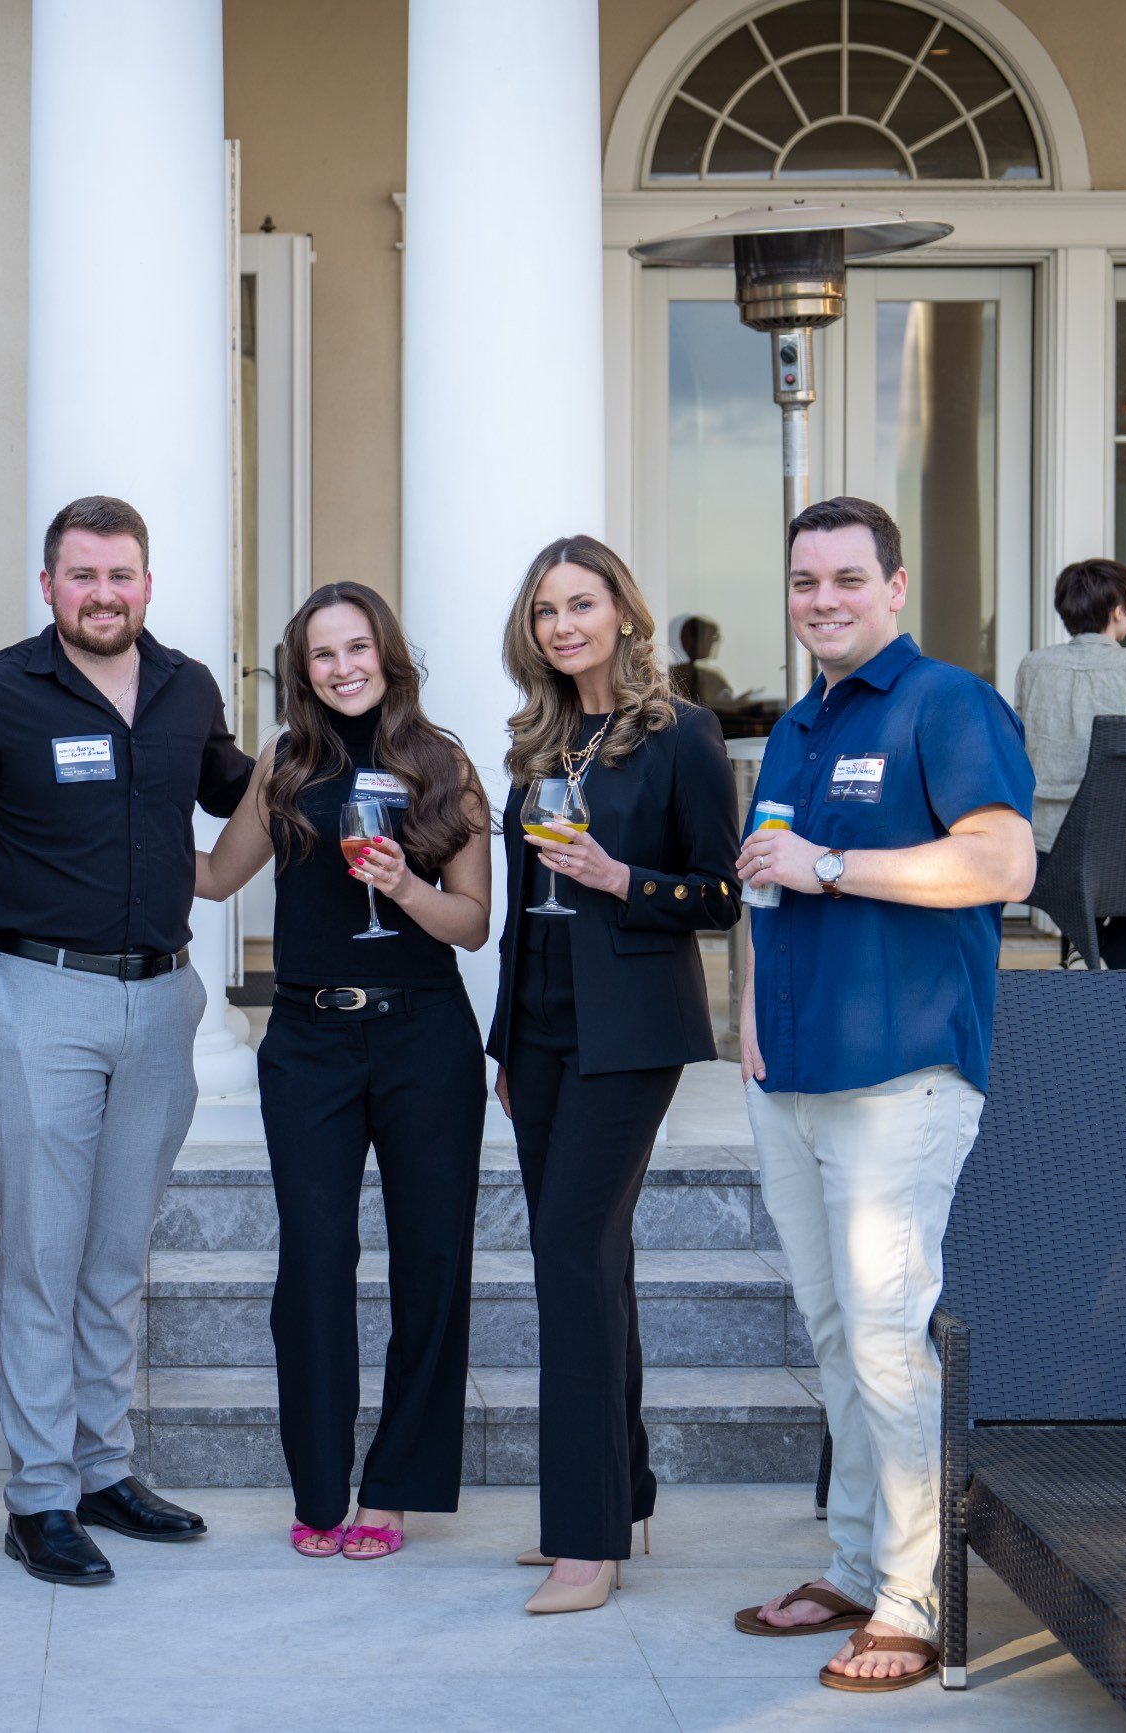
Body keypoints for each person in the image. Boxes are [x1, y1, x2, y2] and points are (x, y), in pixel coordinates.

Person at [0, 494, 254, 1587]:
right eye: (80, 575)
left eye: (120, 575)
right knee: (42, 1252)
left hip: (160, 999)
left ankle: (104, 1467)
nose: (101, 594)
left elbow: (236, 790)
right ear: (48, 585)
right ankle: (37, 1494)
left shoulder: (185, 686)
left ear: (145, 584)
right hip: (41, 993)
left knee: (115, 1253)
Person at [733, 496, 1035, 1692]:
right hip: (791, 1077)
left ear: (893, 587)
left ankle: (914, 1595)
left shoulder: (944, 702)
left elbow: (1003, 861)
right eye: (804, 581)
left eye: (847, 579)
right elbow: (763, 875)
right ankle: (856, 1561)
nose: (823, 600)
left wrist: (832, 864)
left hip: (899, 1075)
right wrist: (748, 1019)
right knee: (833, 1334)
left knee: (885, 1340)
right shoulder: (799, 724)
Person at [193, 582, 492, 1563]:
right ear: (301, 669)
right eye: (321, 654)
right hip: (307, 1037)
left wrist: (404, 883)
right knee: (314, 1264)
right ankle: (318, 1486)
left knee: (431, 1261)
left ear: (386, 653)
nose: (341, 666)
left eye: (356, 646)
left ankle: (395, 1485)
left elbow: (471, 921)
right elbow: (214, 873)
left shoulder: (442, 759)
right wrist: (120, 802)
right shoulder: (283, 762)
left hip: (422, 1035)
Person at [491, 537, 740, 1615]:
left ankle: (584, 1539)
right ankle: (623, 1492)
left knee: (566, 1255)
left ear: (624, 614)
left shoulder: (681, 732)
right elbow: (516, 912)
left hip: (629, 1033)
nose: (562, 625)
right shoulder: (538, 738)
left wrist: (616, 874)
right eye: (545, 609)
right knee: (598, 1260)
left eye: (580, 604)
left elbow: (719, 894)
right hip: (540, 1031)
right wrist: (502, 1041)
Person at [1011, 558, 1126, 968]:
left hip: (1043, 843)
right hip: (1124, 843)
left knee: (1102, 865)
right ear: (1120, 610)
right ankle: (1109, 950)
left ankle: (1086, 949)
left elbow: (1018, 739)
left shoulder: (1033, 667)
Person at [668, 614, 734, 709]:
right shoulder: (671, 676)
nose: (713, 643)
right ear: (690, 641)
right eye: (711, 638)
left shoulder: (713, 676)